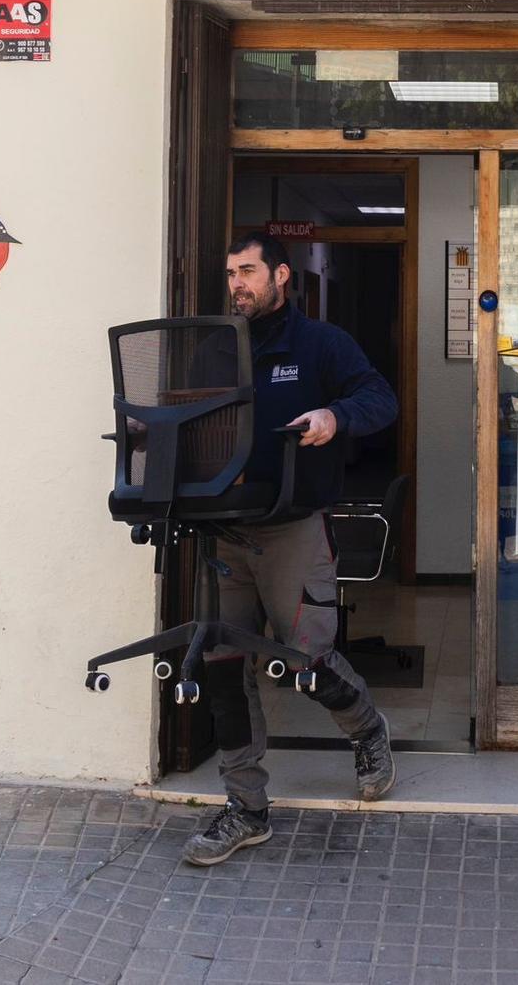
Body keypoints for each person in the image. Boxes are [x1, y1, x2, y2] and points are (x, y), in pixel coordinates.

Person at [182, 232, 401, 867]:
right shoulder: (214, 349)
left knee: (304, 658)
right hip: (222, 529)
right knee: (224, 665)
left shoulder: (321, 344)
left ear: (281, 274)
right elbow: (189, 417)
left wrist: (336, 416)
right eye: (229, 274)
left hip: (292, 526)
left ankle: (367, 730)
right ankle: (245, 808)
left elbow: (379, 399)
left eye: (247, 271)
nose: (236, 285)